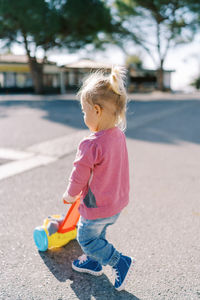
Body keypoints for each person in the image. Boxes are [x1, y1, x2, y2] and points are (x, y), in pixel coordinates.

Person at [62, 66, 135, 291]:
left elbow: (79, 174)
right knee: (98, 234)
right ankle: (93, 261)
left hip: (97, 206)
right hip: (116, 204)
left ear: (96, 110)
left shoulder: (90, 143)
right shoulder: (118, 136)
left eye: (84, 111)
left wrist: (70, 194)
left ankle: (118, 261)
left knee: (87, 238)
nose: (84, 116)